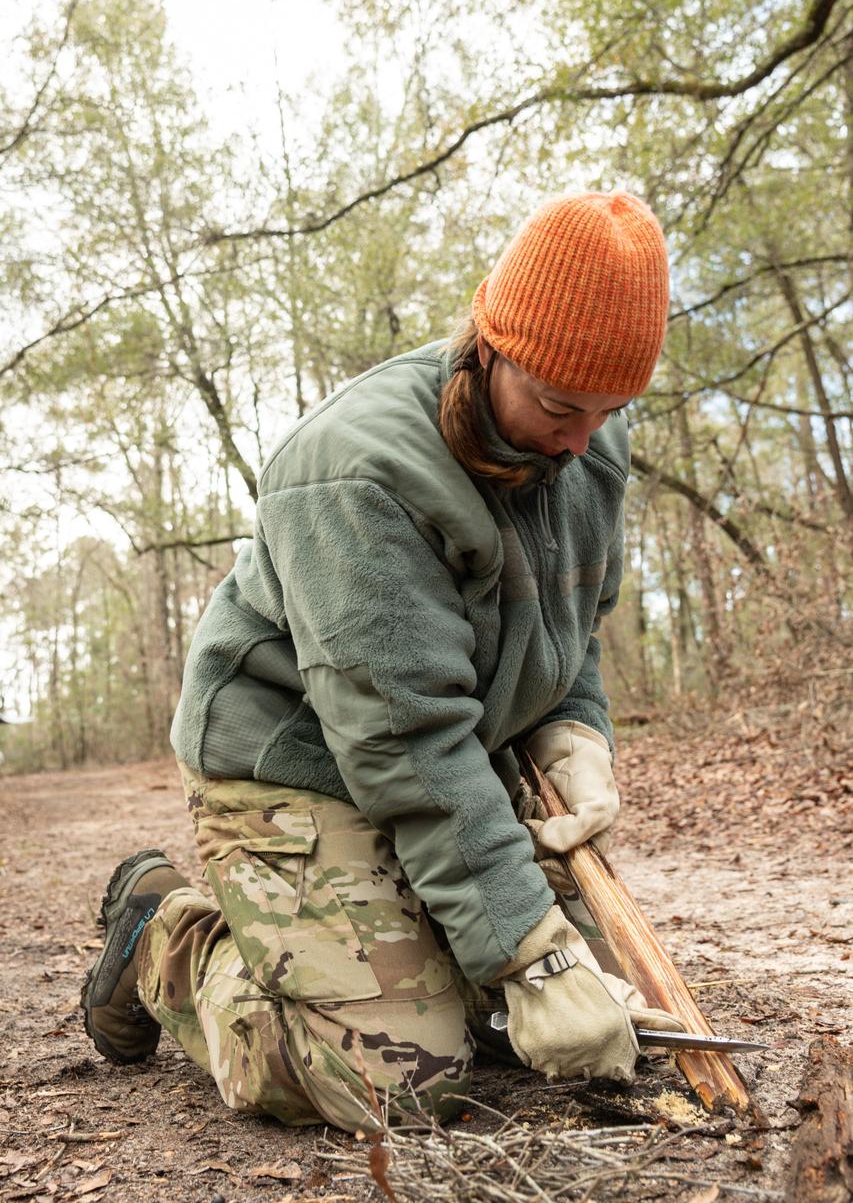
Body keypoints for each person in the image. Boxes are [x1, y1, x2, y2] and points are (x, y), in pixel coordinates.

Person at [81, 191, 683, 1132]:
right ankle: (170, 933)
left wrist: (575, 726)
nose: (580, 442)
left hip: (440, 755)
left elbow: (576, 620)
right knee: (397, 1071)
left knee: (557, 1023)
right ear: (490, 343)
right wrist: (531, 956)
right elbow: (404, 740)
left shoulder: (587, 440)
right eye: (562, 407)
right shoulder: (354, 472)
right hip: (297, 765)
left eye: (608, 413)